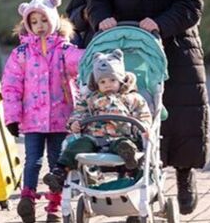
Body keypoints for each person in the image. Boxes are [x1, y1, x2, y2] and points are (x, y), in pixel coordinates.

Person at [88, 0, 210, 215]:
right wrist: (102, 18)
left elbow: (192, 2)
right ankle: (134, 185)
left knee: (181, 114)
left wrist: (160, 23)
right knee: (130, 115)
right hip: (127, 47)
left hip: (175, 45)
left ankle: (184, 175)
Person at [1, 0, 83, 223]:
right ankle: (27, 197)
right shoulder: (21, 54)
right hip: (32, 119)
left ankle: (54, 206)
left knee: (58, 163)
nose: (40, 26)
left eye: (44, 20)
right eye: (34, 22)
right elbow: (11, 86)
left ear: (54, 20)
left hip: (60, 118)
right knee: (33, 160)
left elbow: (82, 61)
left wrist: (98, 57)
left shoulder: (65, 50)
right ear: (28, 25)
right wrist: (12, 117)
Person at [43, 48, 152, 192]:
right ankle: (60, 172)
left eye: (112, 80)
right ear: (96, 83)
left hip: (121, 136)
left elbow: (143, 115)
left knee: (124, 144)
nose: (107, 84)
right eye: (102, 81)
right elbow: (79, 112)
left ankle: (129, 157)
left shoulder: (132, 98)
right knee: (76, 146)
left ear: (121, 80)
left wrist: (144, 129)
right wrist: (74, 123)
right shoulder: (91, 98)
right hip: (93, 138)